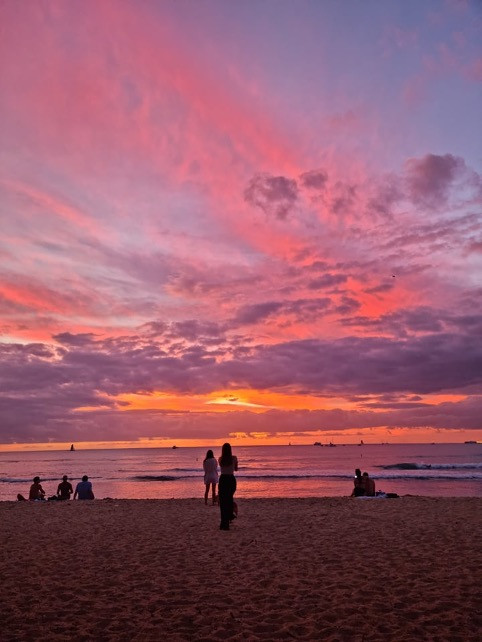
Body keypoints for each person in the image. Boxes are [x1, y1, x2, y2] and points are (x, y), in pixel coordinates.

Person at [218, 443, 238, 531]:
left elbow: (222, 467)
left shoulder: (220, 459)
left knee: (223, 502)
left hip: (223, 479)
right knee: (229, 499)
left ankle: (224, 523)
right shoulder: (234, 458)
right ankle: (230, 516)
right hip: (231, 479)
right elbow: (236, 469)